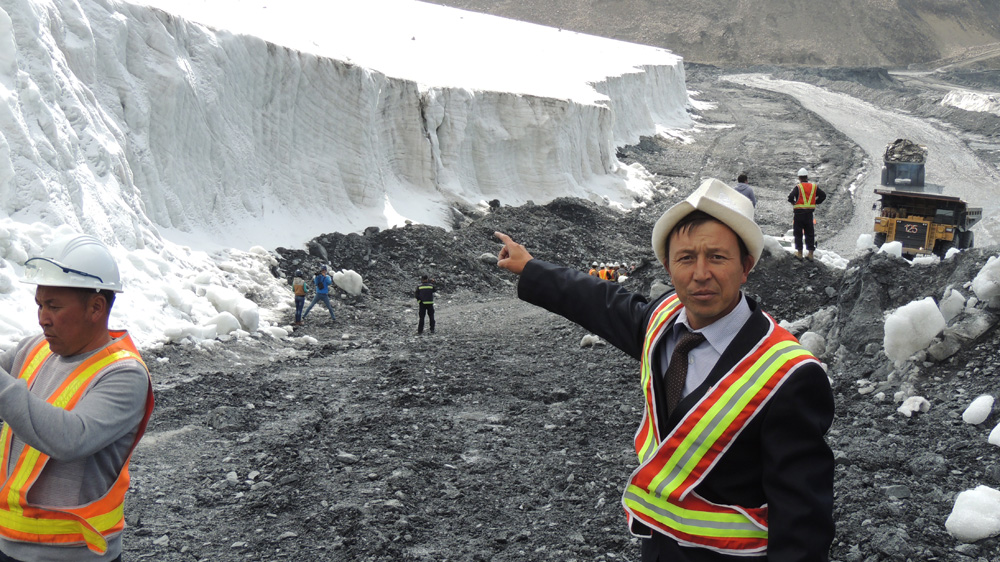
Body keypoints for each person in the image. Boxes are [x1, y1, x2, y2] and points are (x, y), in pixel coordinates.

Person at [495, 178, 834, 562]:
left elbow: (803, 519)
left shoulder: (789, 375)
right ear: (669, 268)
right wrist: (531, 269)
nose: (700, 273)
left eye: (717, 257)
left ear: (746, 267)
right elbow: (601, 302)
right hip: (656, 547)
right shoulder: (661, 322)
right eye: (686, 258)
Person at [0, 233, 153, 562]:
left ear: (96, 307)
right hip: (9, 543)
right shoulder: (34, 348)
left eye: (54, 306)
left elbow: (70, 437)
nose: (42, 317)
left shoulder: (125, 375)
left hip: (76, 554)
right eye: (40, 305)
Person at [787, 167, 827, 260]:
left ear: (799, 178)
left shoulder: (798, 187)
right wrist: (816, 202)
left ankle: (799, 253)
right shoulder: (814, 187)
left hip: (799, 214)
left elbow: (790, 197)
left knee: (798, 233)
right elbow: (823, 195)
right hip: (809, 215)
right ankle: (810, 254)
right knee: (810, 233)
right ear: (807, 177)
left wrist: (793, 202)